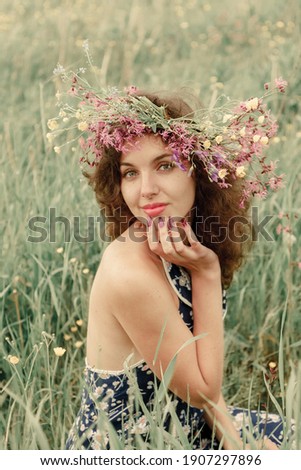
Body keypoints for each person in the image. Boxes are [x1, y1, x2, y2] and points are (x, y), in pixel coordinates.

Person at [50, 76, 288, 450]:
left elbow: (201, 373)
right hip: (131, 447)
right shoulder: (128, 272)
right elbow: (202, 389)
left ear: (200, 171)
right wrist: (206, 273)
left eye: (164, 166)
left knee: (286, 436)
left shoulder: (178, 240)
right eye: (130, 172)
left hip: (183, 425)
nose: (145, 190)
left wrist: (238, 445)